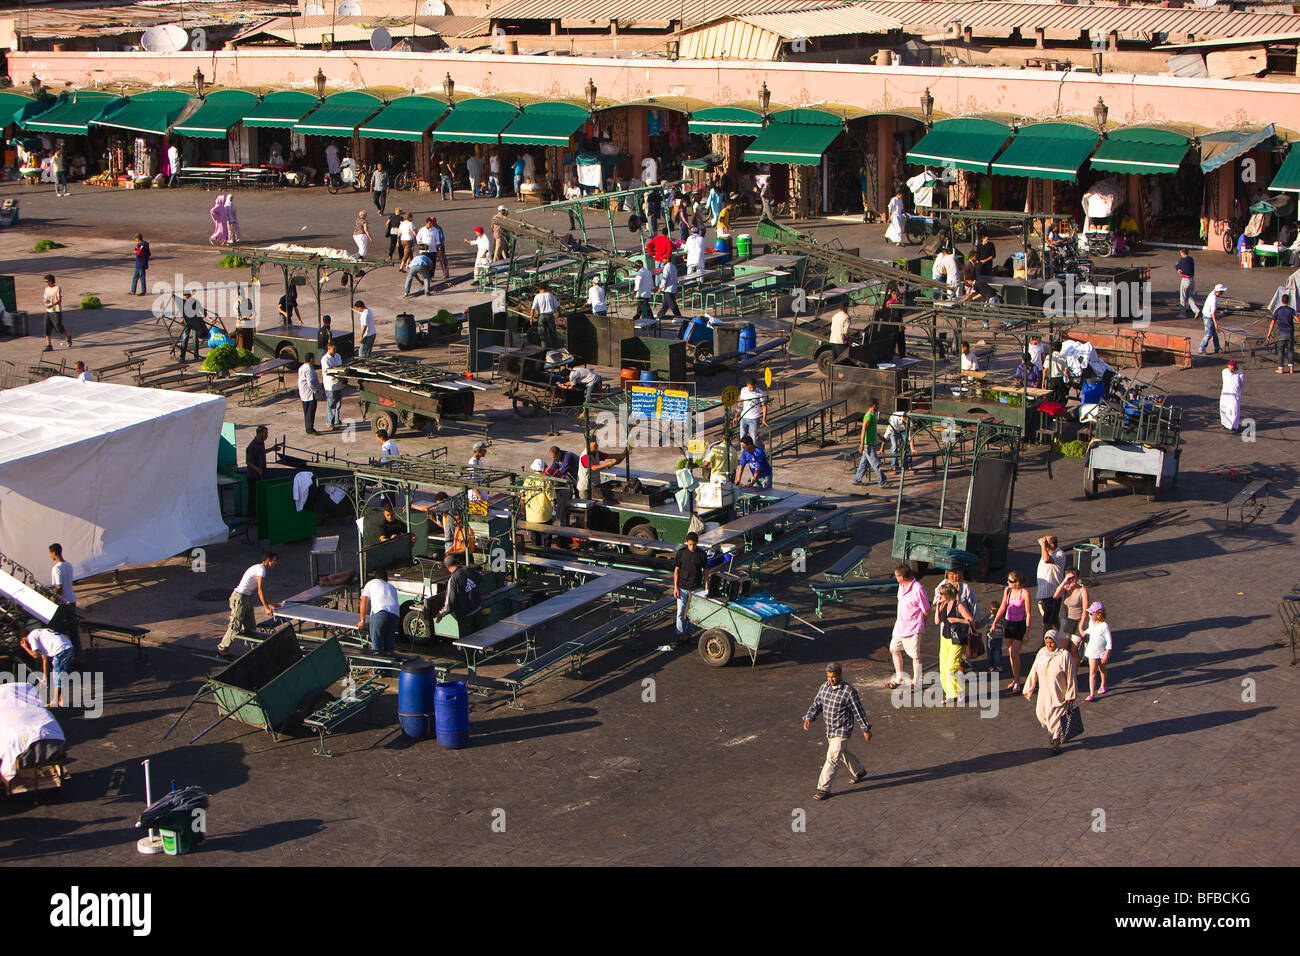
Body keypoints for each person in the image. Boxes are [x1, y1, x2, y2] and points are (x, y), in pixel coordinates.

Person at [802, 662, 871, 801]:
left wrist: (866, 729)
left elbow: (859, 711)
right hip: (830, 730)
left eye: (833, 677)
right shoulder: (824, 687)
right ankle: (859, 771)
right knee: (842, 753)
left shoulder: (849, 691)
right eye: (828, 677)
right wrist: (809, 717)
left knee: (832, 758)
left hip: (843, 731)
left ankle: (824, 788)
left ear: (840, 675)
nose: (830, 680)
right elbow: (817, 704)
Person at [1022, 630, 1078, 754]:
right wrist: (1029, 688)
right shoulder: (1042, 653)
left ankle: (1056, 741)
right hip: (1044, 692)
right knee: (1041, 714)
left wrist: (1070, 695)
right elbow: (1034, 670)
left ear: (1056, 642)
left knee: (1057, 718)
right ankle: (1053, 733)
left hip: (1058, 693)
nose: (1049, 645)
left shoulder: (1064, 655)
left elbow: (1070, 675)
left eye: (1051, 643)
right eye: (1047, 643)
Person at [218, 553, 280, 658]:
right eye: (274, 560)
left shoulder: (259, 568)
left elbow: (262, 592)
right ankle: (222, 648)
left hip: (247, 598)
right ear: (268, 560)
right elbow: (260, 591)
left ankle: (251, 650)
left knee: (250, 627)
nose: (275, 563)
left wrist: (272, 603)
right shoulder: (261, 570)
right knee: (235, 626)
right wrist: (266, 608)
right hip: (240, 599)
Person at [990, 569, 1033, 693]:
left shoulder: (1025, 594)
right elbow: (1003, 607)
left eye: (1011, 581)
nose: (1008, 582)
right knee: (1010, 654)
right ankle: (1015, 679)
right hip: (1009, 624)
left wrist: (1027, 632)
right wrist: (994, 623)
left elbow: (1028, 613)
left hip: (1020, 625)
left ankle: (1017, 680)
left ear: (1017, 582)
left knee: (1014, 653)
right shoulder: (1008, 590)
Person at [935, 582, 978, 703]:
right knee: (943, 667)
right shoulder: (943, 604)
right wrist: (938, 608)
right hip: (945, 638)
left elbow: (971, 620)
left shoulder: (958, 605)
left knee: (951, 667)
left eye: (942, 593)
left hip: (957, 639)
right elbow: (937, 621)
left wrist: (957, 619)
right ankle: (950, 694)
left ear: (948, 594)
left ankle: (960, 692)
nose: (940, 595)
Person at [888, 563, 929, 690]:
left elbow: (926, 609)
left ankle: (916, 681)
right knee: (894, 649)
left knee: (915, 656)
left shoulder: (918, 589)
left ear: (903, 577)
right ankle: (899, 677)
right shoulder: (901, 586)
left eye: (896, 576)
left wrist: (921, 623)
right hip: (900, 625)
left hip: (913, 627)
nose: (895, 578)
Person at [670, 532, 709, 649]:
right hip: (682, 588)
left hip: (696, 588)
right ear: (687, 542)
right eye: (691, 544)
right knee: (680, 613)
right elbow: (676, 570)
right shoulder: (681, 553)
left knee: (693, 613)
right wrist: (675, 587)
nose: (693, 547)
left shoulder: (701, 554)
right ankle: (681, 636)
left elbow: (706, 570)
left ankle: (689, 635)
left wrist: (706, 584)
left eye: (695, 545)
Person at [21, 627, 75, 707]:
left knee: (57, 675)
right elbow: (44, 659)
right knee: (61, 673)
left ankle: (55, 701)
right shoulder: (41, 634)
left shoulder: (31, 636)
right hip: (68, 647)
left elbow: (35, 655)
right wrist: (44, 678)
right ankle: (61, 699)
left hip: (60, 650)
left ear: (24, 639)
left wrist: (25, 647)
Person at [48, 543, 81, 660]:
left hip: (63, 602)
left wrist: (55, 600)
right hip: (71, 599)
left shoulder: (57, 568)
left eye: (50, 553)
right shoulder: (68, 565)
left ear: (53, 553)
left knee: (58, 629)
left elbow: (59, 587)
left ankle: (63, 654)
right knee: (73, 630)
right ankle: (78, 655)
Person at [436, 552, 482, 631]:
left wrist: (441, 614)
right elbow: (480, 579)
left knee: (467, 640)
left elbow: (450, 603)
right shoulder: (468, 569)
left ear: (447, 567)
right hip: (478, 609)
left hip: (466, 615)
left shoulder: (453, 580)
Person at [358, 568, 400, 654]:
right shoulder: (392, 587)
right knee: (389, 649)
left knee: (377, 649)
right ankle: (389, 665)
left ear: (375, 577)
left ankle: (378, 666)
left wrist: (362, 621)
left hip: (380, 614)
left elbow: (364, 601)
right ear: (386, 579)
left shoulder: (371, 583)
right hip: (395, 616)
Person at [1053, 569, 1090, 658]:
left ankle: (1074, 671)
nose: (1071, 580)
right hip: (1067, 621)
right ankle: (1065, 670)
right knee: (1063, 649)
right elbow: (1055, 595)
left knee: (1074, 650)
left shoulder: (1082, 590)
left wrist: (1081, 625)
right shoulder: (1066, 589)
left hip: (1078, 621)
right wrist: (1065, 581)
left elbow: (1085, 609)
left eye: (1072, 578)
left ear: (1077, 578)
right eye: (1069, 578)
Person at [1036, 535, 1067, 637]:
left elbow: (1046, 560)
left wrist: (1042, 546)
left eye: (1046, 542)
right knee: (1053, 618)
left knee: (1048, 621)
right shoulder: (1047, 552)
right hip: (1044, 592)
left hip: (1053, 593)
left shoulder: (1059, 554)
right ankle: (1064, 637)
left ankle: (1043, 645)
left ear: (1052, 545)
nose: (1043, 543)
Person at [852, 397, 887, 489]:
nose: (878, 406)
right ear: (874, 405)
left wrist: (880, 437)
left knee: (864, 464)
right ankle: (882, 482)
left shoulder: (872, 416)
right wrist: (862, 444)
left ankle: (857, 479)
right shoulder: (868, 416)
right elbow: (863, 430)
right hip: (868, 445)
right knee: (876, 464)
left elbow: (873, 430)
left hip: (870, 443)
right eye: (877, 405)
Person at [1080, 601, 1112, 701]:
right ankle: (1092, 693)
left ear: (1098, 615)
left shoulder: (1104, 626)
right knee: (1092, 672)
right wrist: (1084, 632)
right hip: (1092, 652)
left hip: (1101, 652)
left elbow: (1109, 641)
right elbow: (1090, 630)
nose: (1089, 616)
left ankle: (1103, 684)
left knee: (1102, 669)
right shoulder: (1091, 623)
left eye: (1091, 614)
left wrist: (1106, 654)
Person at [522, 459, 556, 547]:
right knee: (546, 538)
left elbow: (522, 497)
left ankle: (537, 555)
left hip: (531, 516)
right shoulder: (546, 480)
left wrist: (523, 510)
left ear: (533, 469)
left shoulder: (527, 480)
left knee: (534, 539)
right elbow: (552, 498)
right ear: (543, 469)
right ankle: (547, 555)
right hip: (545, 515)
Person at [41, 273, 71, 352]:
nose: (46, 283)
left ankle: (67, 337)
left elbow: (59, 299)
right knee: (46, 328)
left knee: (58, 327)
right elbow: (44, 297)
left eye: (47, 281)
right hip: (48, 311)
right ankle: (49, 345)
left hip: (56, 311)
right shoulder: (46, 289)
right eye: (45, 282)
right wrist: (45, 301)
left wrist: (52, 305)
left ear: (51, 281)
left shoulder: (57, 288)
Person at [1267, 293, 1295, 373]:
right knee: (1290, 350)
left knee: (1281, 351)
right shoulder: (1291, 310)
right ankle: (1291, 369)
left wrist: (1269, 333)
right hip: (1290, 332)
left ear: (1281, 300)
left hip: (1281, 333)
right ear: (1288, 301)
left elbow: (1272, 322)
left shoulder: (1278, 310)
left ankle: (1281, 368)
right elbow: (1297, 318)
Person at [321, 340, 345, 430]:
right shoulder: (325, 359)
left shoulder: (338, 356)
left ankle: (336, 419)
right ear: (329, 348)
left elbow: (341, 367)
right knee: (331, 404)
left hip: (338, 384)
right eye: (333, 349)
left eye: (335, 349)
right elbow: (329, 372)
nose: (335, 351)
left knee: (338, 403)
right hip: (330, 385)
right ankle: (329, 422)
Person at [735, 378, 767, 443]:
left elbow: (764, 406)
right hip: (744, 417)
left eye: (753, 387)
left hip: (754, 418)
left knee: (754, 438)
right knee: (742, 437)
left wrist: (764, 419)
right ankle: (744, 452)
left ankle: (756, 452)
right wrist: (736, 416)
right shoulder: (743, 390)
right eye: (750, 387)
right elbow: (741, 403)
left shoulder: (760, 393)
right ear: (747, 385)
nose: (752, 389)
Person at [245, 425, 268, 517]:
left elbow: (262, 452)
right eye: (265, 434)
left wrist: (272, 449)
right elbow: (248, 462)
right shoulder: (252, 446)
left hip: (260, 474)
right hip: (253, 476)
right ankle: (251, 516)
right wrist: (257, 469)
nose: (267, 436)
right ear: (260, 433)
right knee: (253, 498)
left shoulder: (261, 443)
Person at [530, 283, 560, 350]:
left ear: (540, 289)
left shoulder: (537, 297)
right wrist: (560, 313)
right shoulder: (550, 295)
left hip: (541, 316)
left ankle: (544, 349)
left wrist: (531, 318)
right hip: (550, 316)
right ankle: (555, 348)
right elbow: (558, 306)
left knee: (542, 334)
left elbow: (533, 308)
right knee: (552, 332)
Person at [1199, 283, 1226, 354]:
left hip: (1207, 314)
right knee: (1208, 334)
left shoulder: (1213, 292)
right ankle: (1201, 349)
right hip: (1207, 316)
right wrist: (1216, 323)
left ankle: (1217, 347)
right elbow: (1212, 313)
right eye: (1222, 291)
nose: (1223, 293)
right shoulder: (1214, 299)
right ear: (1219, 292)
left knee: (1214, 333)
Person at [884, 409, 913, 476]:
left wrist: (912, 448)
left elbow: (910, 437)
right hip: (894, 429)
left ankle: (909, 465)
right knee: (894, 447)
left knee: (907, 446)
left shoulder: (908, 422)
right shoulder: (894, 418)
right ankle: (894, 467)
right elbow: (888, 431)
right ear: (903, 418)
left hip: (903, 430)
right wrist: (882, 446)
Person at [298, 353, 319, 436]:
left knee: (306, 412)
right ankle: (310, 429)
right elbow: (311, 383)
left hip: (304, 393)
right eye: (314, 358)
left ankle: (308, 428)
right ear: (311, 359)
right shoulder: (309, 369)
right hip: (309, 393)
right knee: (310, 412)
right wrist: (317, 390)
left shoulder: (302, 367)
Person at [1220, 359, 1244, 431]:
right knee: (1224, 408)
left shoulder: (1240, 374)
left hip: (1234, 395)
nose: (1230, 370)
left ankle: (1234, 426)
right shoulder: (1224, 372)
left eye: (1232, 368)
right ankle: (1224, 423)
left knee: (1234, 410)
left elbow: (1241, 383)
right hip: (1225, 394)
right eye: (1229, 367)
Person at [657, 254, 682, 319]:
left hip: (668, 288)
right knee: (665, 304)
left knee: (672, 304)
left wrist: (660, 287)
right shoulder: (673, 266)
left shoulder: (666, 267)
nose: (663, 260)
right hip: (673, 287)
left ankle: (678, 316)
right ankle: (660, 315)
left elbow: (664, 279)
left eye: (664, 259)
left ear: (667, 259)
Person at [1176, 248, 1197, 317]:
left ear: (1182, 252)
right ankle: (1196, 310)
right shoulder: (1191, 259)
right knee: (1190, 296)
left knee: (1183, 297)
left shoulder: (1182, 260)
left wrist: (1178, 268)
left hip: (1185, 280)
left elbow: (1177, 266)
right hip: (1192, 280)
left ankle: (1182, 313)